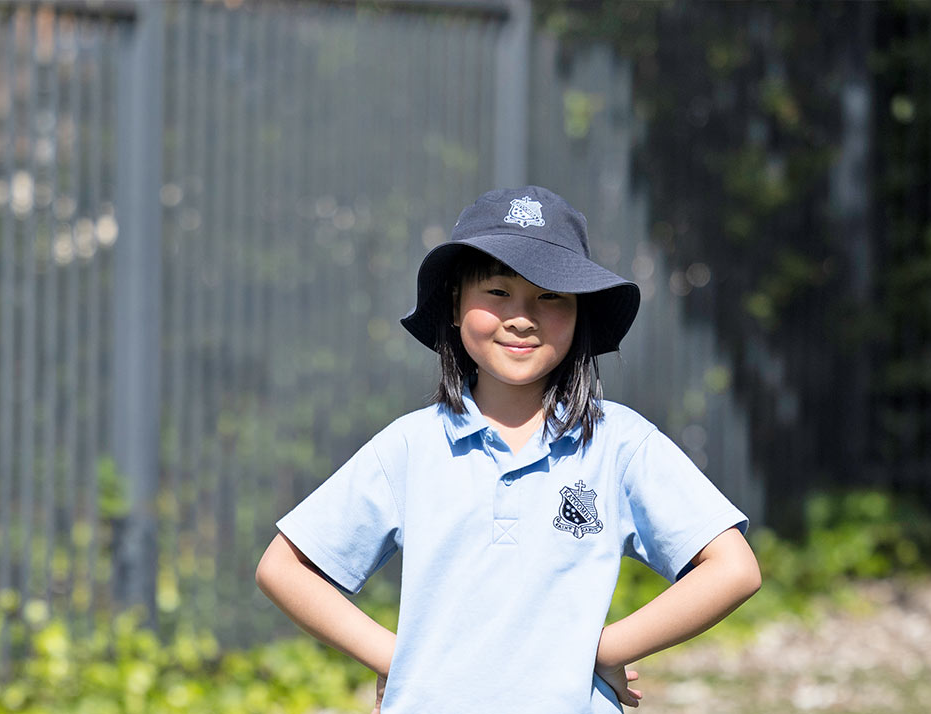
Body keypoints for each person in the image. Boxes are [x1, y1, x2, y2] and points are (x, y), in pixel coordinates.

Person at [255, 186, 761, 712]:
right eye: (497, 292)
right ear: (454, 305)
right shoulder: (411, 447)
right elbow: (283, 568)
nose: (522, 317)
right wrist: (398, 658)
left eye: (550, 296)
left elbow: (734, 568)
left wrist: (605, 647)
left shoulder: (619, 444)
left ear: (580, 312)